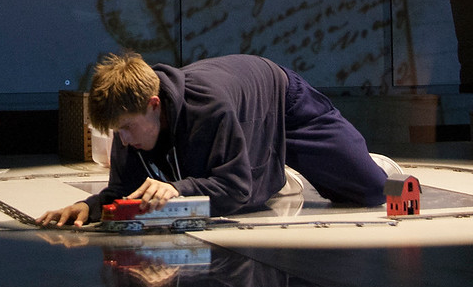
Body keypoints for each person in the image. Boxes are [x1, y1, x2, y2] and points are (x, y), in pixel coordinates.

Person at [37, 52, 390, 226]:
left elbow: (236, 189)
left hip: (281, 100)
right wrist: (90, 207)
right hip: (242, 120)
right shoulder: (130, 121)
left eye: (127, 128)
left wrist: (179, 188)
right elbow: (123, 193)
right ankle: (282, 172)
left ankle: (365, 160)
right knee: (210, 174)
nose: (123, 141)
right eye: (118, 132)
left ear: (154, 104)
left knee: (371, 188)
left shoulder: (208, 109)